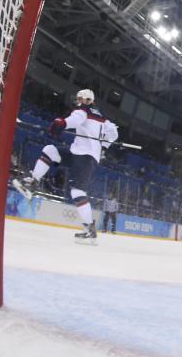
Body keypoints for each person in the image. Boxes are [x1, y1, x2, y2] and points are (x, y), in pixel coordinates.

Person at [16, 89, 118, 244]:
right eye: (78, 99)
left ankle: (90, 230)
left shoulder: (83, 110)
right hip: (78, 153)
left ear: (87, 100)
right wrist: (103, 145)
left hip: (84, 157)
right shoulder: (104, 118)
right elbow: (113, 133)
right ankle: (32, 183)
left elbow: (75, 120)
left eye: (81, 99)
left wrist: (62, 124)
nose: (79, 101)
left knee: (77, 192)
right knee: (50, 151)